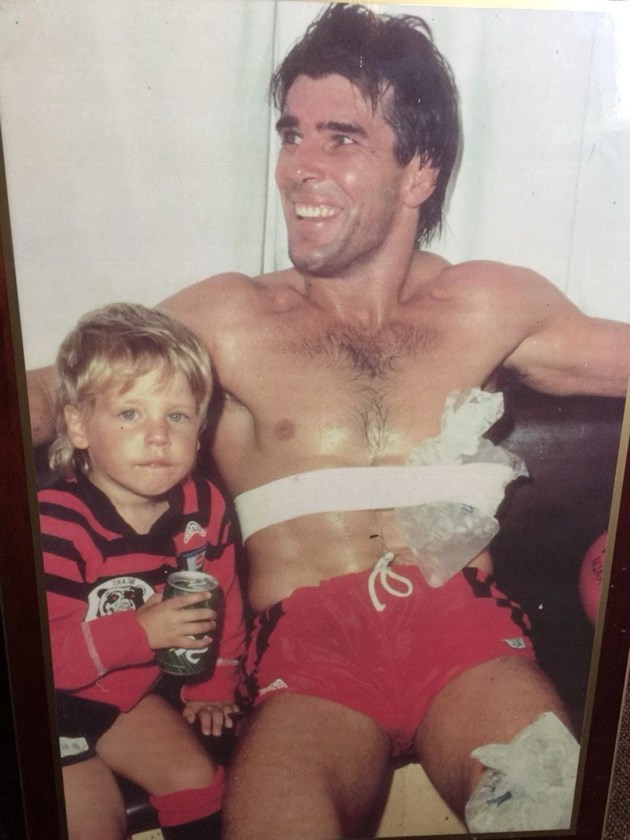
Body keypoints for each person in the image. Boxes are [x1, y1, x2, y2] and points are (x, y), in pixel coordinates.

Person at [27, 4, 630, 837]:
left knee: (549, 801)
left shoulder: (489, 302)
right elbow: (51, 393)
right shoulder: (231, 316)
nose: (298, 168)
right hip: (303, 660)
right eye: (291, 135)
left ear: (418, 171)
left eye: (340, 139)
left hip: (467, 635)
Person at [38, 303, 244, 840]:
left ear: (201, 427)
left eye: (177, 416)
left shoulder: (204, 504)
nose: (158, 436)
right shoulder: (55, 522)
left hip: (123, 690)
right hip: (44, 702)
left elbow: (224, 595)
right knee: (91, 823)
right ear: (79, 426)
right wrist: (143, 631)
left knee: (198, 780)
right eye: (130, 414)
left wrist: (216, 682)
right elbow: (41, 658)